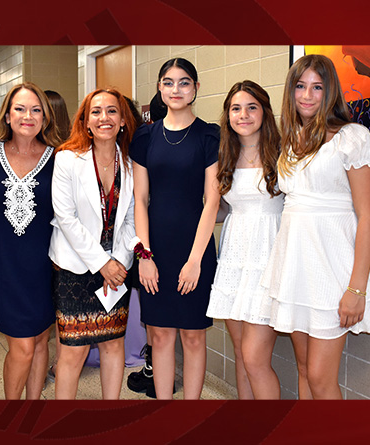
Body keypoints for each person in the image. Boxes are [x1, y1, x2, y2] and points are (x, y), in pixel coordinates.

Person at [261, 54, 370, 399]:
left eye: (317, 87)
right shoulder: (291, 140)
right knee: (302, 370)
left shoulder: (351, 137)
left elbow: (368, 218)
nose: (308, 96)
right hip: (296, 270)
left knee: (320, 378)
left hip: (334, 272)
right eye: (300, 86)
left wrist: (356, 289)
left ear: (330, 91)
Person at [129, 58, 220, 399]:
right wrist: (144, 255)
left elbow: (211, 201)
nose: (176, 89)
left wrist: (196, 259)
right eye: (169, 82)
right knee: (162, 336)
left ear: (196, 88)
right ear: (159, 88)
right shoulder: (145, 135)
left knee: (193, 335)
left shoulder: (209, 135)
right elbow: (139, 199)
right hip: (156, 249)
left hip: (194, 248)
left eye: (184, 82)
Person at [49, 88, 136, 399]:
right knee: (73, 353)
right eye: (96, 112)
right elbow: (66, 218)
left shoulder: (130, 163)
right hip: (75, 267)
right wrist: (103, 263)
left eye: (112, 111)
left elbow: (132, 220)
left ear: (124, 120)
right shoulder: (67, 159)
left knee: (114, 345)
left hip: (117, 270)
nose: (104, 118)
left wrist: (120, 263)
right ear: (85, 122)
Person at [0, 81, 61, 399]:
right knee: (23, 346)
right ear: (7, 114)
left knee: (41, 339)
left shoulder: (59, 158)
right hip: (4, 262)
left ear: (45, 116)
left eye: (35, 109)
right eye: (20, 108)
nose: (27, 115)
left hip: (44, 263)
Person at [206, 80, 283, 399]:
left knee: (255, 359)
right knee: (241, 353)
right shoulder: (225, 154)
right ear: (228, 115)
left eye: (252, 107)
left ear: (264, 111)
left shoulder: (283, 154)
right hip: (235, 257)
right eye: (236, 108)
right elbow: (223, 209)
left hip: (269, 257)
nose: (244, 114)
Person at [126, 91, 168, 398]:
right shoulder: (187, 141)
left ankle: (154, 370)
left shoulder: (145, 143)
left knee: (155, 315)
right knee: (159, 315)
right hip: (162, 239)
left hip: (146, 239)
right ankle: (155, 370)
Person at [42, 89, 72, 384]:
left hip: (58, 237)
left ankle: (60, 364)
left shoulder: (63, 152)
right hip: (56, 238)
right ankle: (58, 362)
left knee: (58, 307)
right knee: (58, 306)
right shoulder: (66, 149)